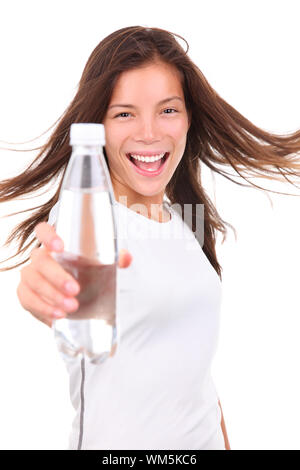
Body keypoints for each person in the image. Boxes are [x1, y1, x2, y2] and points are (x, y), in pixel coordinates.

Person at [0, 26, 299, 450]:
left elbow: (198, 382)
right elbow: (57, 277)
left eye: (168, 110)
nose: (149, 133)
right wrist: (41, 287)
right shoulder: (88, 220)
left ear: (189, 117)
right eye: (124, 113)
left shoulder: (185, 223)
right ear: (97, 126)